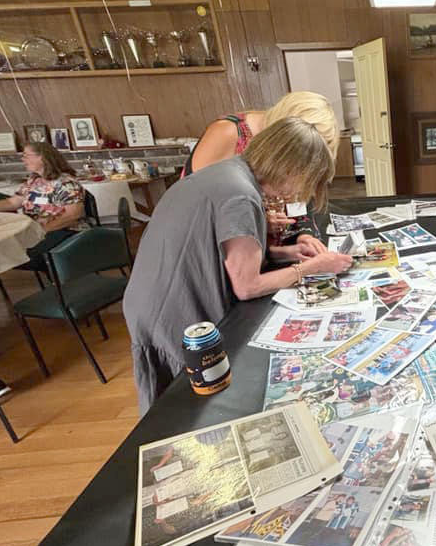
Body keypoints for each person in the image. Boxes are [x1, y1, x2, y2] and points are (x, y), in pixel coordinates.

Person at [123, 118, 354, 414]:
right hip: (169, 310)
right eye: (306, 182)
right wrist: (312, 268)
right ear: (291, 169)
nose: (300, 193)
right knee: (184, 406)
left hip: (149, 296)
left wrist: (289, 253)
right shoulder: (241, 195)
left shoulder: (231, 173)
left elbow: (228, 254)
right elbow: (247, 286)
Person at [182, 92, 340, 255]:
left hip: (268, 253)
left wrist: (304, 234)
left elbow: (298, 198)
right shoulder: (227, 133)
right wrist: (260, 221)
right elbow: (198, 210)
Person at [0, 142, 88, 266]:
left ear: (42, 157)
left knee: (19, 253)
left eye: (26, 155)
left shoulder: (66, 183)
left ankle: (59, 275)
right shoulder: (34, 180)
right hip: (35, 229)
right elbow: (13, 202)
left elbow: (73, 215)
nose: (23, 159)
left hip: (64, 231)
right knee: (1, 247)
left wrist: (41, 230)